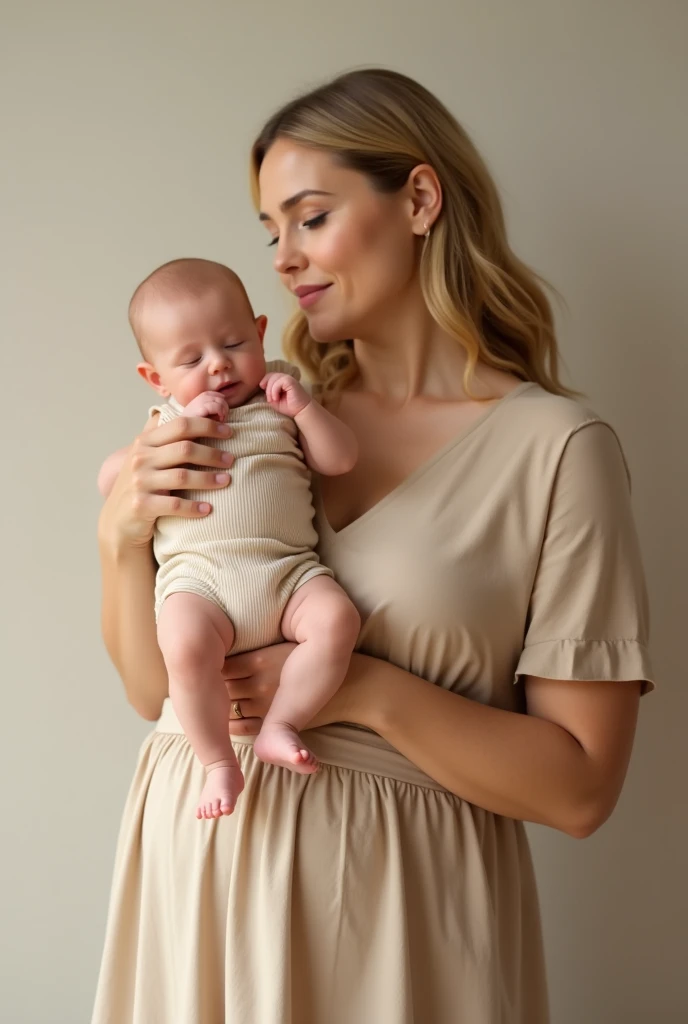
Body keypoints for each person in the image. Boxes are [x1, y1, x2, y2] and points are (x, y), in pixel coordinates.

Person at [92, 68, 653, 1024]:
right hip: (200, 882)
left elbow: (582, 789)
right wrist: (119, 537)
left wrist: (358, 689)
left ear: (421, 199)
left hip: (402, 923)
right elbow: (155, 693)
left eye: (310, 218)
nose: (282, 257)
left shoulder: (556, 451)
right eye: (270, 231)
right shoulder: (240, 424)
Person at [98, 259, 360, 819]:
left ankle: (282, 723)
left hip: (288, 573)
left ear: (261, 333)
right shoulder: (165, 422)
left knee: (338, 621)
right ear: (156, 379)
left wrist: (306, 410)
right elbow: (109, 480)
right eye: (191, 359)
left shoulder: (279, 395)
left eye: (234, 342)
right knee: (184, 648)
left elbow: (341, 459)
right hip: (201, 584)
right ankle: (218, 761)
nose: (218, 365)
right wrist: (168, 436)